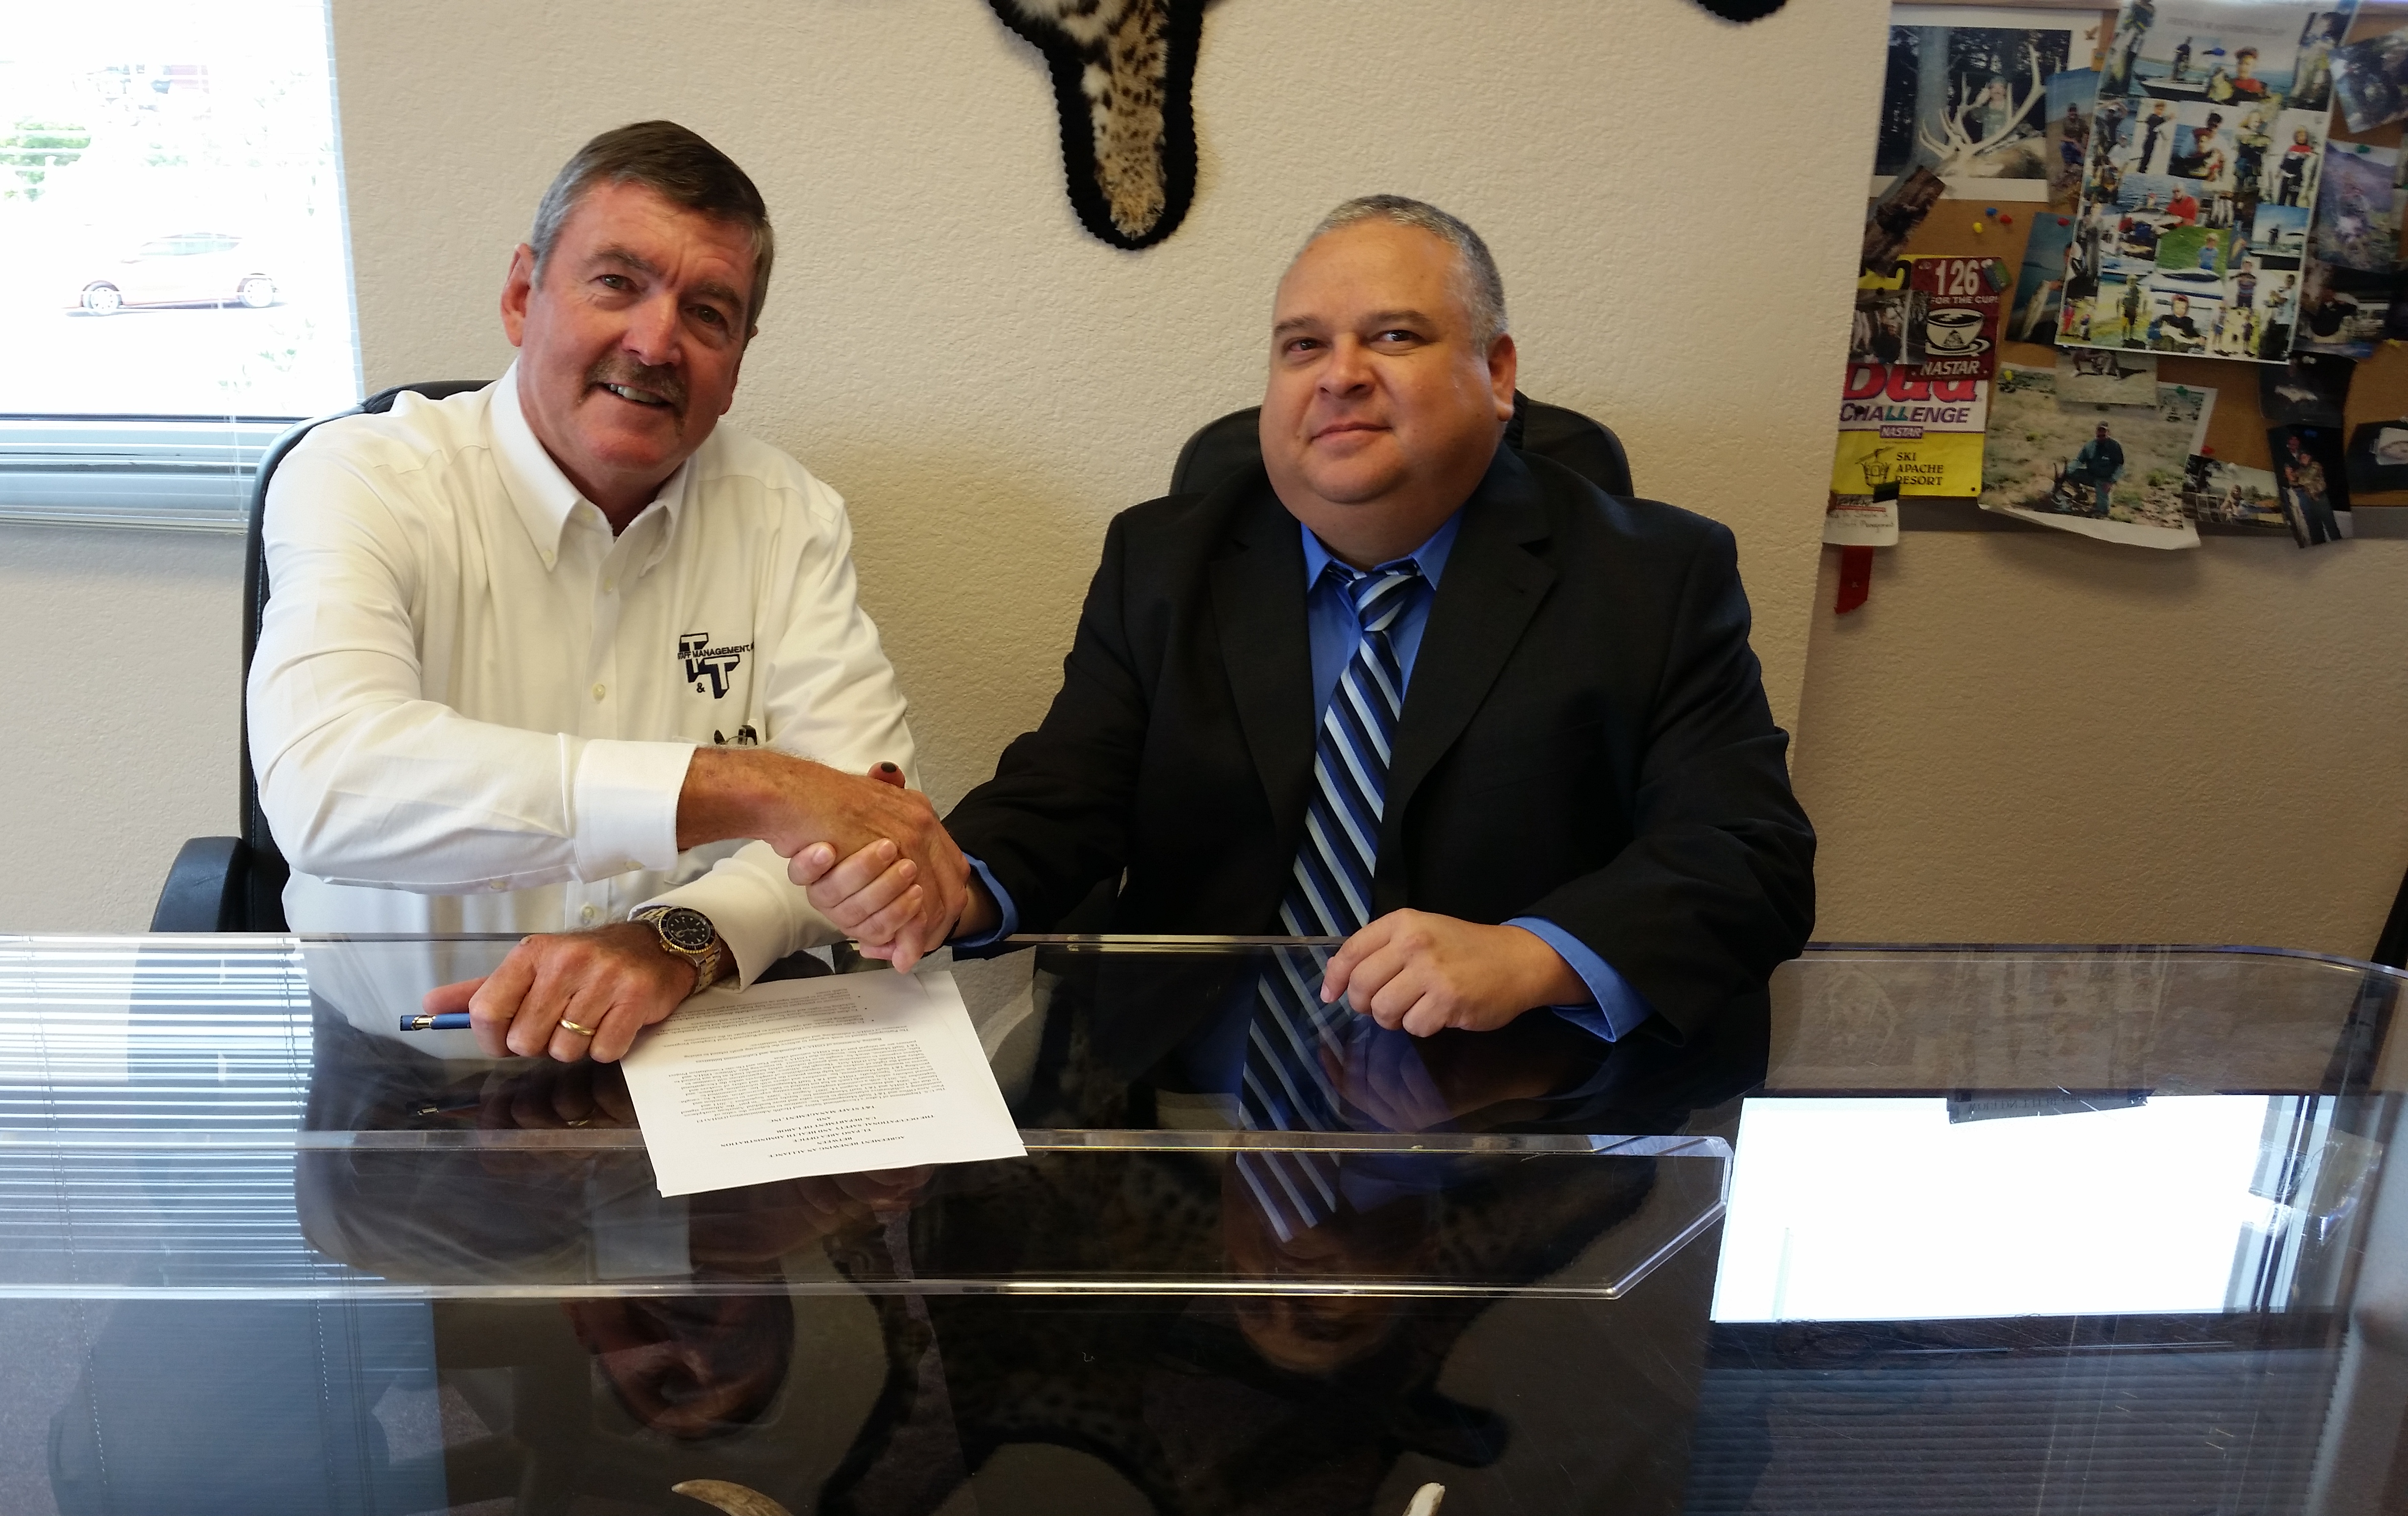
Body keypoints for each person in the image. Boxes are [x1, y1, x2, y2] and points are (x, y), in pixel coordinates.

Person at [798, 196, 1814, 1095]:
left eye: (1394, 336)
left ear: (1496, 374)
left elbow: (1748, 858)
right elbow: (1068, 792)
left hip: (1503, 1122)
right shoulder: (1163, 559)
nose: (1340, 378)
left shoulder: (1651, 577)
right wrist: (956, 881)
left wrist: (1530, 955)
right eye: (1301, 346)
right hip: (1182, 1122)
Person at [248, 122, 968, 1065]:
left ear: (739, 362)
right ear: (521, 294)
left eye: (708, 312)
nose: (656, 340)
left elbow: (866, 829)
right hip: (401, 1066)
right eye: (617, 282)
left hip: (693, 1065)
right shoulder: (361, 475)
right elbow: (329, 783)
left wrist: (680, 936)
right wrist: (757, 789)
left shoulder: (788, 514)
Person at [2071, 423, 2126, 515]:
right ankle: (2081, 495)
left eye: (2103, 435)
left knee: (2103, 511)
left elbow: (2120, 466)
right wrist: (2068, 470)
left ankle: (2101, 508)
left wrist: (2111, 482)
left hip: (2104, 480)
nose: (2101, 437)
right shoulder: (2090, 446)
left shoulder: (2115, 446)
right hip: (2091, 475)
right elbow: (2079, 461)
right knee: (2071, 474)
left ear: (2108, 433)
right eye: (2099, 435)